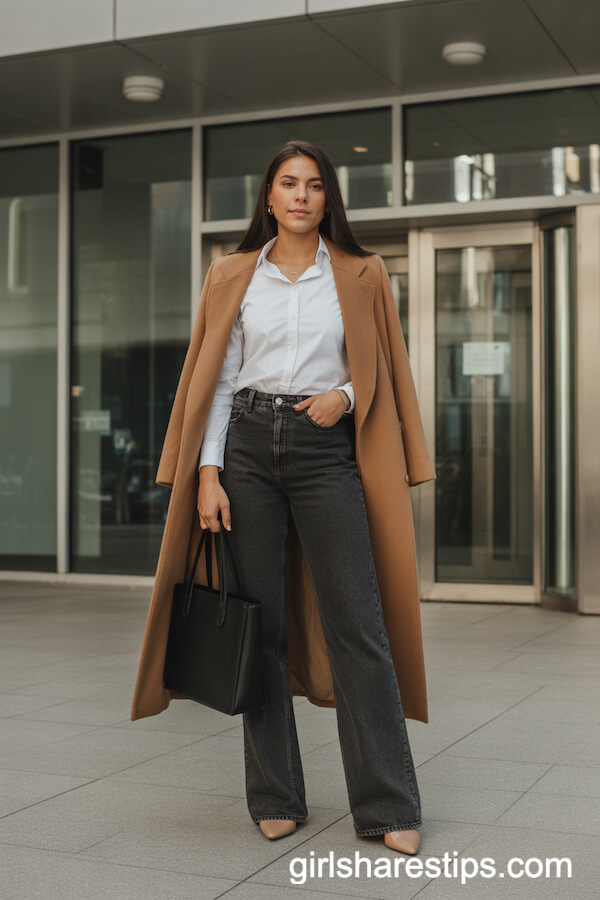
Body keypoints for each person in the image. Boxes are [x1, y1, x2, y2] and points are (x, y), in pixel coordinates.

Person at [195, 140, 425, 855]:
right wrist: (209, 472)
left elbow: (382, 362)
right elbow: (219, 381)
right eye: (288, 183)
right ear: (268, 196)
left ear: (329, 200)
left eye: (315, 185)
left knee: (359, 624)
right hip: (248, 450)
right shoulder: (233, 273)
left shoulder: (360, 272)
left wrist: (345, 396)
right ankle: (274, 794)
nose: (301, 195)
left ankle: (388, 805)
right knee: (258, 625)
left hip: (327, 449)